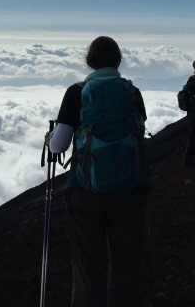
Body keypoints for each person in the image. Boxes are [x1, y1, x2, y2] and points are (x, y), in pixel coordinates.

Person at [46, 36, 151, 307]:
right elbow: (138, 133)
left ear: (89, 60)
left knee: (88, 269)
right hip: (129, 190)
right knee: (127, 267)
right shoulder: (132, 92)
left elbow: (58, 145)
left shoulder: (77, 92)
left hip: (86, 192)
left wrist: (50, 137)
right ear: (118, 59)